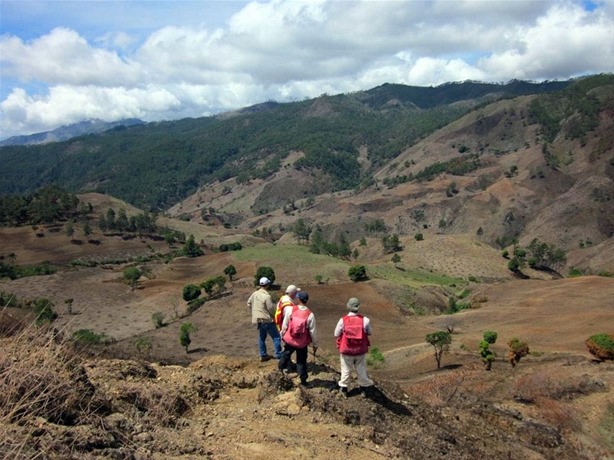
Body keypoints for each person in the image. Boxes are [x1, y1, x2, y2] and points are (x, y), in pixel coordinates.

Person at [334, 297, 374, 397]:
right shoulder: (365, 320)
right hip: (360, 350)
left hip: (346, 350)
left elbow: (336, 334)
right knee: (361, 370)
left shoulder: (343, 320)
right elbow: (370, 332)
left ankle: (344, 390)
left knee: (346, 370)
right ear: (358, 307)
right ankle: (363, 390)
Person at [278, 290, 318, 386]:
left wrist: (283, 333)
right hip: (302, 343)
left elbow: (285, 323)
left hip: (290, 339)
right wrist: (315, 344)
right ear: (306, 300)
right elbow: (313, 331)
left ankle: (279, 371)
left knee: (285, 354)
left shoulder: (291, 309)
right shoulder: (310, 315)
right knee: (301, 361)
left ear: (298, 299)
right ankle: (303, 381)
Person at [247, 276, 282, 362]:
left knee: (262, 338)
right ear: (267, 285)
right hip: (267, 320)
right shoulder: (267, 296)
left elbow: (248, 303)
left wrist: (255, 310)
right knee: (276, 337)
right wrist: (274, 316)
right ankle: (279, 355)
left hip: (258, 320)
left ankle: (263, 355)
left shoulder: (254, 294)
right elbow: (270, 309)